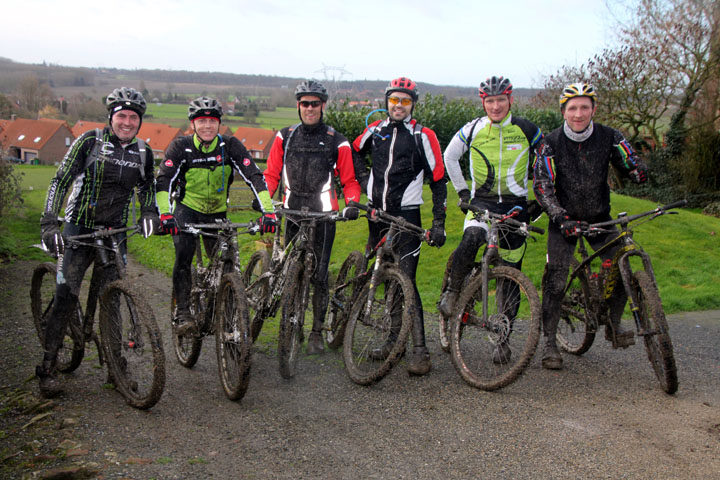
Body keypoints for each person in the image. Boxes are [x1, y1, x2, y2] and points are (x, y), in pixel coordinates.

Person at [37, 87, 159, 397]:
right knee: (66, 294)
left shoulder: (143, 152)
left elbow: (147, 187)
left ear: (139, 121)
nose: (127, 122)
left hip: (114, 233)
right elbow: (60, 180)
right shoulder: (89, 141)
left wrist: (148, 211)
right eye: (122, 116)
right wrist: (50, 221)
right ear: (111, 117)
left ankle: (115, 369)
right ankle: (48, 367)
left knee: (113, 300)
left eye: (133, 117)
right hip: (78, 230)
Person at [533, 82, 648, 370]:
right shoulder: (550, 142)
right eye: (572, 108)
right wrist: (561, 217)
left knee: (622, 265)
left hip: (600, 217)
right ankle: (549, 342)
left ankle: (613, 320)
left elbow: (629, 161)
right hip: (564, 220)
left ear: (593, 109)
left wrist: (638, 171)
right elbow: (543, 186)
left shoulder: (610, 137)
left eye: (585, 107)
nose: (579, 113)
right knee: (557, 281)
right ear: (563, 112)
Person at [438, 75, 543, 364]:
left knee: (511, 274)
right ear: (483, 102)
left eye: (500, 100)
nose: (495, 106)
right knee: (471, 239)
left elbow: (548, 160)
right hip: (481, 203)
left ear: (510, 100)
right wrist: (461, 191)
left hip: (515, 207)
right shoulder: (473, 129)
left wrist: (541, 198)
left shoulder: (526, 129)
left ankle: (502, 340)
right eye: (489, 101)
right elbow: (449, 156)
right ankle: (453, 291)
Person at [156, 96, 276, 335]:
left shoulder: (229, 146)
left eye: (212, 121)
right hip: (187, 210)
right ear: (193, 124)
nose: (207, 126)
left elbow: (254, 175)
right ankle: (182, 312)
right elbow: (163, 181)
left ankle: (226, 308)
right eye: (201, 121)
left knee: (225, 263)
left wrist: (268, 211)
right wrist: (165, 214)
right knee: (184, 256)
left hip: (217, 213)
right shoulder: (181, 147)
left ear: (219, 123)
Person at [352, 76, 446, 375]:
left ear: (412, 104)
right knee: (376, 272)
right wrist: (364, 181)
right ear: (386, 101)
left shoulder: (422, 135)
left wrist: (439, 222)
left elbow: (439, 179)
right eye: (394, 100)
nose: (399, 106)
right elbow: (354, 152)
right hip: (376, 216)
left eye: (405, 101)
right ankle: (393, 340)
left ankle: (420, 351)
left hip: (407, 217)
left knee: (406, 281)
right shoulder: (375, 130)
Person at [264, 80, 361, 355]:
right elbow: (271, 174)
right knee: (288, 270)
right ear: (298, 106)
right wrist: (263, 199)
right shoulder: (285, 136)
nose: (309, 108)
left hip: (323, 217)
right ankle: (291, 321)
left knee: (319, 275)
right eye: (305, 103)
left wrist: (352, 202)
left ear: (323, 106)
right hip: (291, 211)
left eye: (315, 104)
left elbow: (350, 180)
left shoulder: (336, 140)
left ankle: (317, 330)